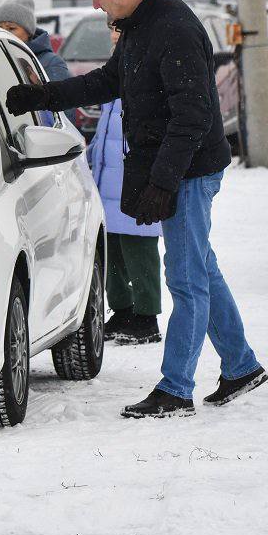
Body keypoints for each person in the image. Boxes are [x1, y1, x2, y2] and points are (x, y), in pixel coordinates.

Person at [5, 0, 268, 419]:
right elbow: (109, 81)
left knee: (185, 279)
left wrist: (163, 184)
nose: (95, 7)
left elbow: (193, 116)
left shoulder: (175, 28)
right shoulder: (140, 26)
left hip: (188, 167)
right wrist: (44, 93)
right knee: (201, 269)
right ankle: (241, 366)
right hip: (173, 165)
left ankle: (175, 388)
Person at [90, 23, 162, 345]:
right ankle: (121, 310)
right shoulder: (114, 69)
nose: (116, 34)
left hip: (136, 177)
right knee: (114, 249)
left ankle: (146, 317)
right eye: (112, 29)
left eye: (122, 29)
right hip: (108, 178)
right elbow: (106, 128)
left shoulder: (148, 68)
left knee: (140, 249)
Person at [0, 0, 74, 125]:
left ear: (29, 32)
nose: (4, 32)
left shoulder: (51, 63)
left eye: (11, 28)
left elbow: (63, 113)